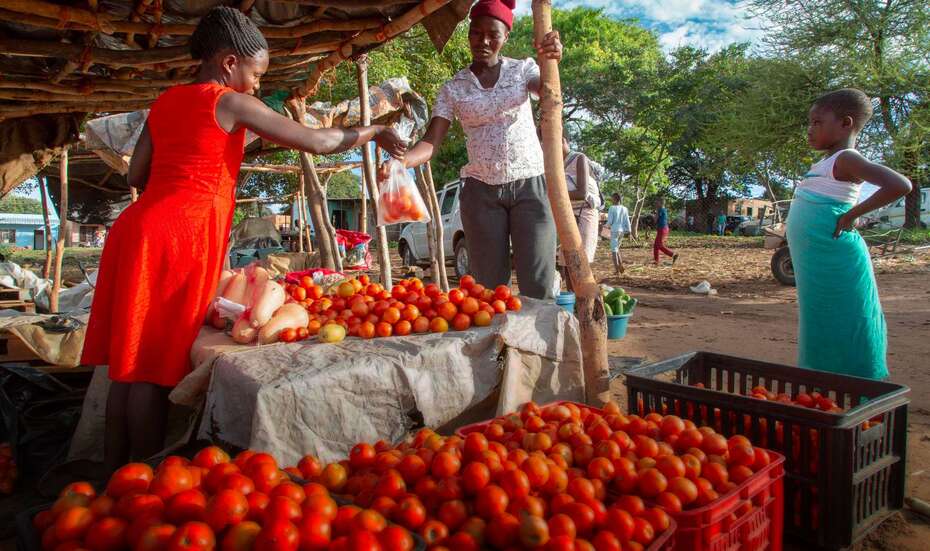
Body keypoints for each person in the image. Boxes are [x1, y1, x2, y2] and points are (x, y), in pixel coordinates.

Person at [81, 6, 407, 474]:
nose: (258, 85)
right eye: (256, 73)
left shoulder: (166, 101)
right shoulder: (230, 102)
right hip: (178, 238)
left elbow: (136, 173)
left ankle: (113, 482)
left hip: (137, 229)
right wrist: (373, 129)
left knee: (127, 367)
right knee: (151, 372)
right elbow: (317, 142)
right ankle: (144, 486)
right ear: (230, 62)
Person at [386, 0, 563, 299]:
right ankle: (497, 345)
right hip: (481, 194)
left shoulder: (522, 70)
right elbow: (431, 143)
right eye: (476, 33)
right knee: (488, 289)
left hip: (530, 187)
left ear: (505, 36)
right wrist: (401, 161)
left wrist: (551, 60)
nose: (483, 41)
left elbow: (546, 90)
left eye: (492, 34)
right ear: (468, 35)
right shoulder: (453, 88)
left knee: (538, 284)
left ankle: (542, 345)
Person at [787, 88, 911, 379]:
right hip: (820, 265)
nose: (810, 129)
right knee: (823, 319)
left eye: (817, 122)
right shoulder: (826, 162)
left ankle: (864, 385)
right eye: (810, 122)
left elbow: (900, 185)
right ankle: (830, 385)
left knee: (851, 319)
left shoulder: (847, 159)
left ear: (845, 123)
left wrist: (852, 214)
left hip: (838, 259)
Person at [605, 193, 631, 275]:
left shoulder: (612, 208)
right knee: (617, 249)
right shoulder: (625, 208)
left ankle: (616, 270)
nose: (611, 200)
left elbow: (610, 221)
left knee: (614, 251)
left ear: (615, 199)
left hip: (614, 231)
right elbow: (627, 220)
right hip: (622, 231)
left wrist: (604, 226)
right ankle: (621, 266)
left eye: (612, 198)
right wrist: (629, 231)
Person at [653, 197, 679, 265]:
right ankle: (656, 261)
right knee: (656, 245)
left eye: (657, 202)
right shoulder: (663, 209)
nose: (655, 203)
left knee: (659, 245)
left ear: (661, 203)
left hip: (662, 229)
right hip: (663, 229)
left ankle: (673, 255)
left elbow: (655, 220)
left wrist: (654, 215)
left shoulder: (660, 210)